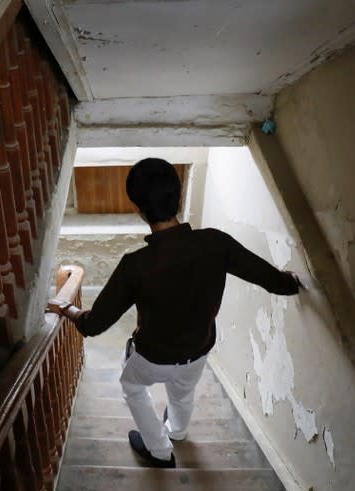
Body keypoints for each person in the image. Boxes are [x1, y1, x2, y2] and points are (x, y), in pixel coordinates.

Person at [46, 158, 301, 468]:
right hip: (198, 351)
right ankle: (178, 430)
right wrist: (291, 283)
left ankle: (159, 450)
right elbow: (271, 280)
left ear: (139, 211)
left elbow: (94, 325)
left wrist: (67, 308)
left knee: (132, 387)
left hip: (152, 358)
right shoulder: (215, 243)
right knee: (183, 391)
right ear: (178, 199)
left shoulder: (136, 265)